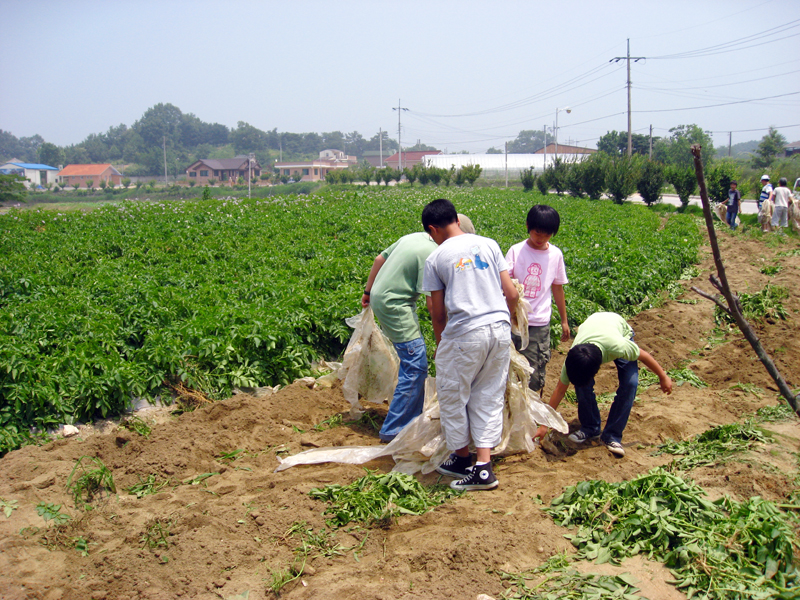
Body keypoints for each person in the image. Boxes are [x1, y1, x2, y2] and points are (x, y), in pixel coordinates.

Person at [422, 199, 519, 491]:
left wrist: (441, 345)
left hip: (465, 333)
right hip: (499, 329)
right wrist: (506, 323)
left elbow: (438, 313)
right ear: (457, 219)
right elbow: (511, 294)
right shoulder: (488, 244)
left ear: (432, 229)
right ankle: (483, 467)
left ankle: (462, 458)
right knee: (488, 395)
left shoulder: (436, 258)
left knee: (454, 395)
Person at [362, 214, 474, 442]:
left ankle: (406, 421)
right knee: (415, 364)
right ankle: (395, 430)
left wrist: (367, 292)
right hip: (396, 304)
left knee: (413, 362)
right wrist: (442, 342)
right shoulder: (432, 254)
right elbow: (433, 307)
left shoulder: (413, 237)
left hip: (382, 297)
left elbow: (378, 259)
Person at [534, 312, 672, 458]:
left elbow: (643, 355)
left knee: (630, 383)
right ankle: (590, 427)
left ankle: (612, 436)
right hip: (592, 324)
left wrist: (663, 377)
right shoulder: (574, 359)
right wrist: (544, 426)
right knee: (581, 383)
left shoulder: (619, 347)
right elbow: (559, 391)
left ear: (597, 370)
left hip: (618, 329)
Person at [505, 205, 569, 395]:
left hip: (538, 324)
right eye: (537, 232)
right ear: (527, 226)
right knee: (507, 370)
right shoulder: (516, 251)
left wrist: (564, 320)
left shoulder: (555, 255)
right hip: (513, 322)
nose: (541, 238)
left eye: (547, 235)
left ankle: (531, 417)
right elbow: (504, 283)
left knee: (534, 373)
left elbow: (557, 288)